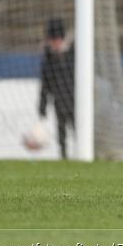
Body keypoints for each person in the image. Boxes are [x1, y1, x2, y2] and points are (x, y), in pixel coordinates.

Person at [38, 18, 75, 160]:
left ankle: (87, 156)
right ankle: (64, 157)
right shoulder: (48, 59)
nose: (54, 43)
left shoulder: (74, 54)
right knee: (62, 132)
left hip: (76, 101)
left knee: (80, 130)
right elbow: (45, 85)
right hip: (59, 101)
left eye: (57, 39)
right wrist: (42, 106)